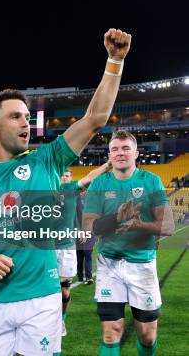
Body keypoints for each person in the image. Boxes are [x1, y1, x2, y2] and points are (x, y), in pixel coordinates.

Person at [0, 28, 132, 356]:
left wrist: (114, 61)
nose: (25, 123)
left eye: (27, 117)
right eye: (15, 117)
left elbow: (95, 118)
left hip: (42, 301)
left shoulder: (47, 160)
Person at [83, 130, 174, 356]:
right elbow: (89, 227)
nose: (120, 153)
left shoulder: (151, 181)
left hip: (142, 264)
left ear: (136, 153)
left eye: (125, 148)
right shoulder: (99, 184)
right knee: (111, 331)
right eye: (114, 149)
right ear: (110, 155)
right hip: (109, 265)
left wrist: (138, 225)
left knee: (146, 333)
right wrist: (118, 219)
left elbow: (168, 227)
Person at [57, 162, 110, 337]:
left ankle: (62, 319)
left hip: (66, 247)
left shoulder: (72, 191)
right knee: (47, 289)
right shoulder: (45, 189)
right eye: (62, 174)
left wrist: (108, 165)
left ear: (71, 178)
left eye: (67, 175)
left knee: (64, 288)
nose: (64, 177)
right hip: (45, 248)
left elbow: (90, 177)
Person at [76, 189, 95, 284]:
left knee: (87, 252)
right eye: (83, 191)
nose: (85, 192)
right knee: (79, 255)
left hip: (90, 232)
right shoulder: (76, 201)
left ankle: (89, 277)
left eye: (87, 190)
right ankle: (79, 275)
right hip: (78, 231)